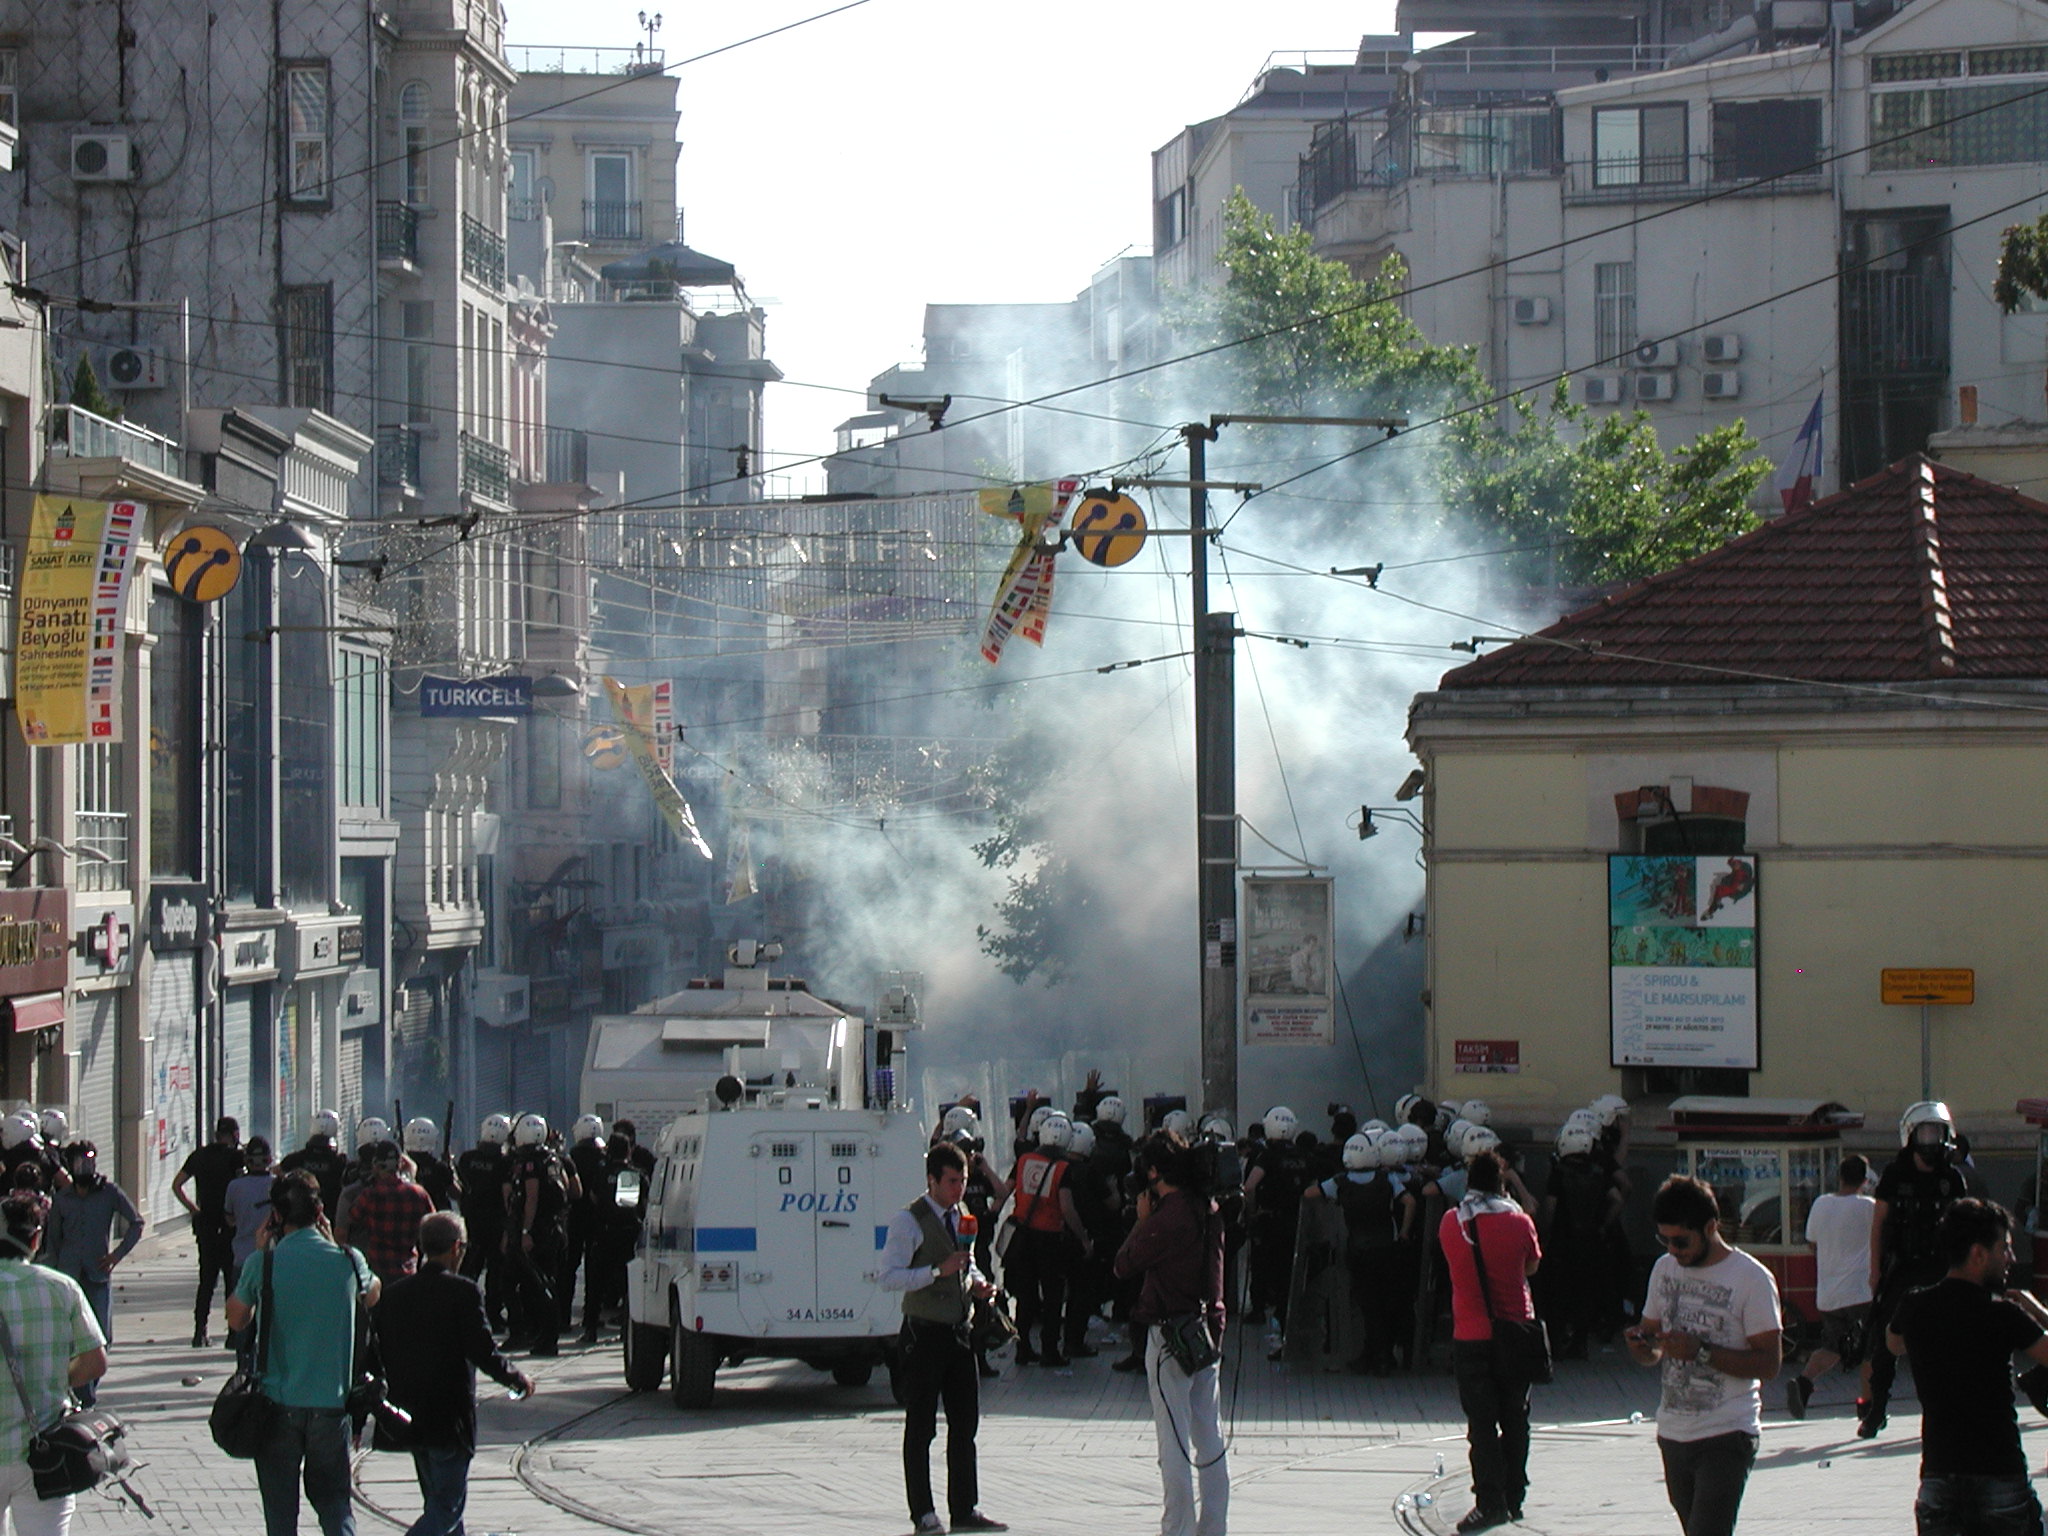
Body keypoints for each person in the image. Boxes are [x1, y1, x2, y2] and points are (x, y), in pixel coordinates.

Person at [1625, 1175, 1782, 1536]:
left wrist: (1702, 1352)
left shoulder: (1751, 1279)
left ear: (1711, 1227)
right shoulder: (1664, 1269)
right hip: (1673, 1433)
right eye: (1664, 1239)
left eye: (1681, 1240)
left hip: (1728, 1432)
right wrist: (1642, 1346)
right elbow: (1652, 1348)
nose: (1672, 1250)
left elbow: (1769, 1364)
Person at [226, 1169, 378, 1536]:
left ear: (275, 1216)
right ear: (321, 1211)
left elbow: (237, 1319)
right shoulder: (348, 1259)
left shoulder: (263, 1263)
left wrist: (260, 1252)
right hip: (331, 1403)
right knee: (335, 1504)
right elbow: (372, 1295)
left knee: (280, 1516)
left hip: (278, 1404)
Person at [1889, 1199, 2048, 1536]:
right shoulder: (2002, 1313)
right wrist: (2037, 1312)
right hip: (1999, 1475)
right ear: (1978, 1254)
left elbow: (1892, 1342)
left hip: (1938, 1477)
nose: (2011, 1259)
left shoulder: (1915, 1304)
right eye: (2003, 1248)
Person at [375, 1212, 535, 1536]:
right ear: (456, 1248)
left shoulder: (394, 1294)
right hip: (449, 1416)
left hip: (408, 1411)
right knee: (447, 1507)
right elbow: (482, 1350)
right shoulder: (464, 1291)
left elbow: (378, 1352)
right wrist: (516, 1379)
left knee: (436, 1502)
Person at [878, 1141, 1007, 1536]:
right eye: (952, 1182)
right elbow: (889, 1277)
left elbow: (968, 1268)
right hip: (923, 1332)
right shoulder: (909, 1221)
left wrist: (981, 1285)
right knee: (921, 1427)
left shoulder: (963, 1214)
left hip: (959, 1331)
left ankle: (965, 1507)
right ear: (932, 1180)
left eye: (963, 1181)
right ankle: (923, 1514)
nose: (959, 1190)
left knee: (964, 1422)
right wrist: (935, 1271)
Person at [1115, 1129, 1227, 1536]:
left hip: (1170, 1336)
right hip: (1206, 1331)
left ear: (1155, 1171)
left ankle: (1176, 1528)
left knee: (1174, 1444)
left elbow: (1124, 1264)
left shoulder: (1168, 1217)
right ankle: (1214, 1527)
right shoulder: (1208, 1207)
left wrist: (1142, 1222)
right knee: (1209, 1440)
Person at [1438, 1148, 1542, 1533]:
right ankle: (1515, 1497)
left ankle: (1489, 1502)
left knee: (1481, 1425)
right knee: (1516, 1418)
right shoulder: (1520, 1221)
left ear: (1469, 1184)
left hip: (1471, 1334)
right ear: (1502, 1183)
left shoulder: (1453, 1223)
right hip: (1517, 1332)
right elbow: (1530, 1266)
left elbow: (1453, 1267)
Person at [0, 1190, 107, 1536]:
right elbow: (94, 1363)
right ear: (36, 1238)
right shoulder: (62, 1288)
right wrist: (55, 1378)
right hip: (43, 1453)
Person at [1863, 1101, 1972, 1438]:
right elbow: (1879, 1223)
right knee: (1886, 1341)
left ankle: (1952, 1410)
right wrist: (1875, 1270)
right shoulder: (1895, 1175)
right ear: (1910, 1136)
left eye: (1937, 1133)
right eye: (1925, 1132)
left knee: (1953, 1342)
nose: (1931, 1140)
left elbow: (1964, 1224)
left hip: (1943, 1267)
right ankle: (1876, 1410)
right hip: (1904, 1268)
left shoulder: (1952, 1177)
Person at [39, 1140, 140, 1406]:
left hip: (97, 1275)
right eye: (79, 1161)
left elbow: (136, 1223)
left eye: (89, 1160)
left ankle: (87, 1387)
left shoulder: (109, 1192)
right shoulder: (62, 1199)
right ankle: (83, 1395)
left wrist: (116, 1256)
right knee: (71, 1339)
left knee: (101, 1338)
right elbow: (54, 1243)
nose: (85, 1166)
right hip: (69, 1276)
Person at [1789, 1153, 1875, 1419]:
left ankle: (1804, 1381)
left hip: (1829, 1294)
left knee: (1832, 1347)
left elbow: (1812, 1244)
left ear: (1839, 1177)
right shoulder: (1869, 1207)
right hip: (1861, 1292)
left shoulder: (1821, 1203)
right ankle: (1866, 1406)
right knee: (1868, 1352)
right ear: (1864, 1179)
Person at [1004, 1111, 1089, 1367]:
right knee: (1052, 1296)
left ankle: (1022, 1348)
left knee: (1025, 1295)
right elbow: (1067, 1207)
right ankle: (1050, 1349)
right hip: (1050, 1239)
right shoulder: (1064, 1168)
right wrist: (1083, 1238)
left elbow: (1005, 1190)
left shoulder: (1024, 1160)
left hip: (1024, 1235)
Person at [504, 1114, 573, 1356]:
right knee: (547, 1283)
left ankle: (544, 1338)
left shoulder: (530, 1162)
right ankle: (546, 1336)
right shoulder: (553, 1158)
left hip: (538, 1231)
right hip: (555, 1228)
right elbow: (570, 1189)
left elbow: (530, 1198)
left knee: (537, 1285)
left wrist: (525, 1231)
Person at [173, 1116, 243, 1348]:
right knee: (231, 1281)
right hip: (229, 1224)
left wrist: (194, 1209)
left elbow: (177, 1184)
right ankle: (233, 1333)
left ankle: (199, 1331)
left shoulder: (199, 1155)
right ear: (234, 1135)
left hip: (205, 1225)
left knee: (206, 1280)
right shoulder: (235, 1158)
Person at [337, 1140, 433, 1284]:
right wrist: (412, 1176)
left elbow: (353, 1218)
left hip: (378, 1271)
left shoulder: (370, 1195)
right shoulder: (419, 1193)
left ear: (375, 1165)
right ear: (400, 1164)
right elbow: (432, 1223)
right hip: (408, 1271)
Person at [456, 1116, 514, 1332]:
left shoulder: (467, 1158)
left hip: (471, 1222)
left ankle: (463, 1311)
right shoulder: (505, 1163)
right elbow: (507, 1194)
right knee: (495, 1273)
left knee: (469, 1269)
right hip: (496, 1224)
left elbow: (459, 1185)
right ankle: (493, 1315)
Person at [558, 1115, 607, 1340]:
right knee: (595, 1271)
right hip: (598, 1220)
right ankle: (591, 1318)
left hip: (575, 1218)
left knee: (568, 1268)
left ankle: (563, 1317)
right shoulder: (605, 1158)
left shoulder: (571, 1157)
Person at [224, 1139, 276, 1300]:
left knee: (241, 1308)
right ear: (269, 1159)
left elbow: (230, 1218)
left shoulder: (235, 1186)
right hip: (271, 1257)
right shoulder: (277, 1184)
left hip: (242, 1257)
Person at [279, 1112, 349, 1214]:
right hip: (332, 1216)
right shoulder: (341, 1163)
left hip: (299, 1217)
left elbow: (278, 1172)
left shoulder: (295, 1160)